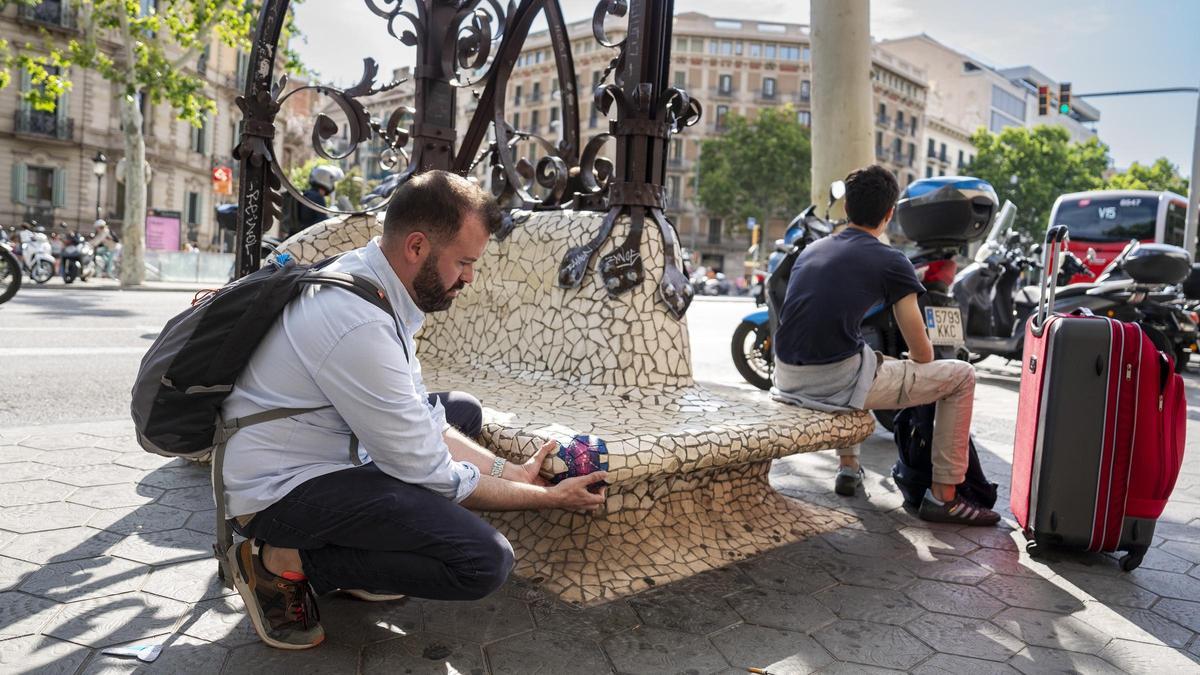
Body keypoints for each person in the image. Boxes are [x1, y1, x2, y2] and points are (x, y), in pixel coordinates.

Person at [222, 170, 608, 650]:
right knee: (483, 561)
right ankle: (281, 562)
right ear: (417, 247)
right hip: (276, 492)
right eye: (464, 262)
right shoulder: (356, 321)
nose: (470, 277)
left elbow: (422, 419)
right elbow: (430, 472)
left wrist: (516, 471)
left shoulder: (376, 279)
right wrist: (549, 498)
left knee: (460, 411)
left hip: (330, 452)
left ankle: (352, 552)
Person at [771, 165, 999, 526]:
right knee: (962, 376)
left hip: (785, 377)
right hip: (835, 384)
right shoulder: (891, 260)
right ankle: (945, 496)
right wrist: (909, 361)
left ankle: (849, 467)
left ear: (846, 209)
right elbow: (923, 353)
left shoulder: (811, 251)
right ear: (890, 213)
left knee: (863, 358)